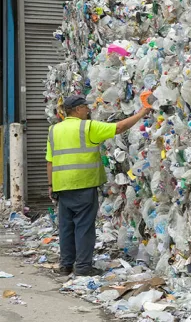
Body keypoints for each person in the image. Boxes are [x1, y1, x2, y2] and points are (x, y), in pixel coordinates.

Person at [46, 95, 151, 276]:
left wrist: (50, 185)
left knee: (66, 227)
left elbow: (49, 161)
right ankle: (83, 267)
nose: (88, 110)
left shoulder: (54, 130)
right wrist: (142, 112)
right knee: (84, 227)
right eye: (86, 107)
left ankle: (65, 265)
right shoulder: (87, 127)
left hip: (61, 186)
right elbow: (119, 127)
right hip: (83, 184)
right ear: (78, 109)